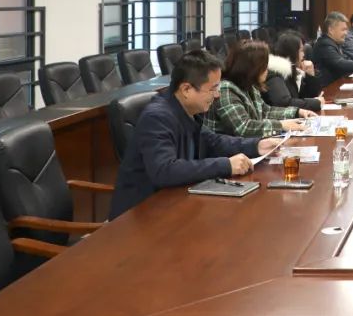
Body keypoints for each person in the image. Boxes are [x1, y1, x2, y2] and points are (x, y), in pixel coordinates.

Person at [108, 50, 282, 219]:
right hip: (140, 214)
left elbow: (213, 142)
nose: (217, 95)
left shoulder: (189, 110)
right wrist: (226, 165)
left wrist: (257, 145)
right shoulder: (157, 117)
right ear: (186, 89)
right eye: (213, 89)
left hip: (175, 202)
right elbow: (164, 170)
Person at [205, 40, 316, 137]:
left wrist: (297, 112)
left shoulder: (250, 85)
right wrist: (281, 125)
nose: (267, 70)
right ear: (252, 68)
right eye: (264, 66)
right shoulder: (226, 89)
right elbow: (244, 127)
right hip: (229, 152)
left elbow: (265, 111)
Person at [265, 31, 323, 113]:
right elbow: (284, 103)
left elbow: (307, 97)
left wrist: (310, 75)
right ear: (292, 52)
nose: (303, 55)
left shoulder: (292, 70)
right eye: (301, 50)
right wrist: (315, 103)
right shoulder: (274, 72)